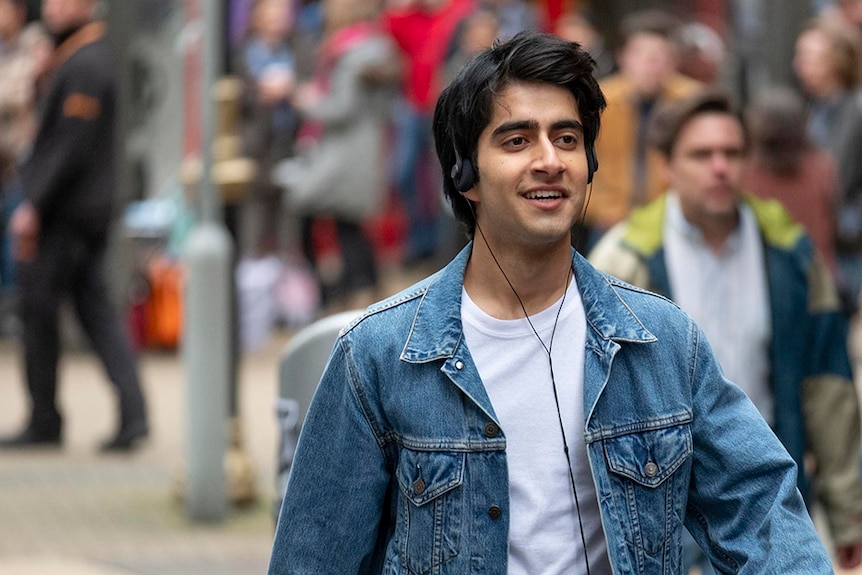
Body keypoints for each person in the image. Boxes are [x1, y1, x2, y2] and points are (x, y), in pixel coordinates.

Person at [268, 32, 833, 574]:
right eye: (517, 140)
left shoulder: (661, 343)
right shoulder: (379, 356)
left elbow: (761, 511)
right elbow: (313, 558)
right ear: (465, 174)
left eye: (566, 139)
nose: (550, 160)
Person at [589, 89, 862, 572]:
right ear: (668, 165)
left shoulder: (791, 254)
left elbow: (829, 386)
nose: (720, 167)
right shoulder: (623, 261)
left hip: (764, 496)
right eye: (701, 154)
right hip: (661, 503)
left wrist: (848, 514)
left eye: (732, 153)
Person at [0, 0, 149, 452]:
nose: (52, 6)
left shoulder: (87, 62)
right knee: (95, 312)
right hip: (78, 212)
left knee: (39, 311)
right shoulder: (74, 57)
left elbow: (69, 147)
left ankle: (45, 420)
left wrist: (34, 205)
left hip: (68, 215)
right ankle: (132, 415)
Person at [275, 0, 399, 311]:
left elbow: (340, 108)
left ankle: (333, 293)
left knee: (306, 206)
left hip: (342, 153)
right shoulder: (376, 46)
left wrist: (303, 99)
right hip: (363, 151)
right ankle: (360, 290)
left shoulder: (350, 52)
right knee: (350, 225)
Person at [579, 9, 700, 253]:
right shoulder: (599, 101)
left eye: (660, 55)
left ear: (674, 60)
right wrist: (600, 210)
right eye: (640, 54)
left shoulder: (693, 102)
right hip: (608, 223)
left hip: (673, 223)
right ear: (623, 57)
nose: (650, 63)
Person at [793, 16, 862, 312]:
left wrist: (849, 225)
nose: (798, 65)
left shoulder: (856, 110)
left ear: (835, 60)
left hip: (847, 247)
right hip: (818, 240)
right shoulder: (813, 108)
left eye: (808, 57)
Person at [743, 87, 840, 277]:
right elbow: (833, 224)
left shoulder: (747, 174)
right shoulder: (822, 166)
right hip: (819, 275)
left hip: (775, 277)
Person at [0, 0, 50, 333]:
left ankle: (16, 312)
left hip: (24, 167)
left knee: (16, 245)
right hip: (2, 166)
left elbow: (16, 92)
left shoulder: (35, 45)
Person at [236, 0, 298, 258]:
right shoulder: (244, 54)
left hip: (287, 142)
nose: (278, 21)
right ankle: (252, 274)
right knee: (255, 214)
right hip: (257, 145)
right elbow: (237, 96)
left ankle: (286, 278)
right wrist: (260, 92)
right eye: (272, 16)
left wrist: (292, 91)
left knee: (287, 216)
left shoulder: (295, 51)